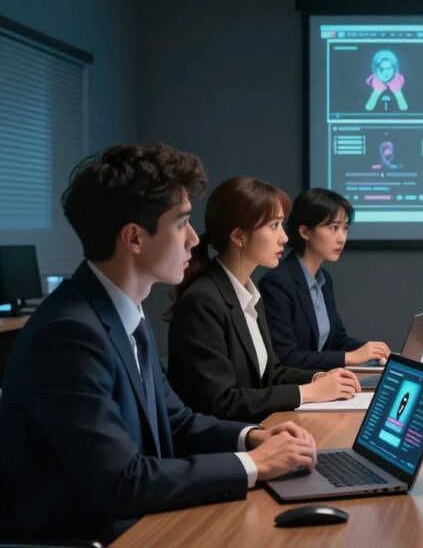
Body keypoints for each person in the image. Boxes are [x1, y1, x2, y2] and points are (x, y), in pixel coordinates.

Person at [0, 144, 318, 542]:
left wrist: (252, 436)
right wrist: (251, 465)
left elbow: (175, 421)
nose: (193, 239)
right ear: (133, 237)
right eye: (181, 223)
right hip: (97, 535)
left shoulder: (124, 312)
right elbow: (123, 481)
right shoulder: (68, 334)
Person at [167, 177, 361, 423]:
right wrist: (307, 392)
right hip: (223, 446)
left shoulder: (248, 295)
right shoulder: (203, 301)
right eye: (274, 226)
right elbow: (219, 402)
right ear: (239, 236)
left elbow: (270, 373)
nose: (284, 238)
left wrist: (316, 379)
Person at [259, 188, 389, 370]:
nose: (341, 238)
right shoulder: (277, 282)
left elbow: (337, 339)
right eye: (333, 228)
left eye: (345, 228)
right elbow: (286, 357)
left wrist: (372, 351)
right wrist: (350, 357)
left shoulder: (324, 279)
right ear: (305, 232)